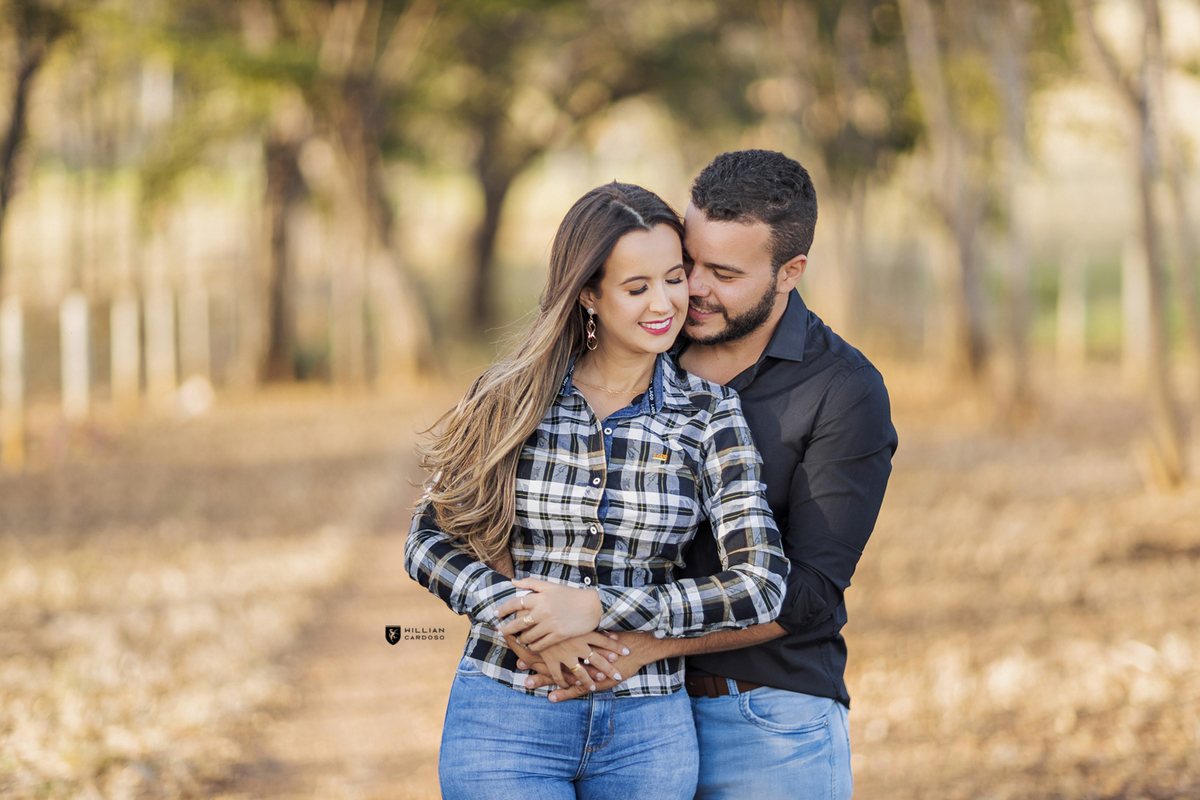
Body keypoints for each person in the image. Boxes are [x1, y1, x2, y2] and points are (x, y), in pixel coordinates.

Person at [522, 150, 898, 800]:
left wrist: (648, 645)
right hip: (626, 710)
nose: (691, 287)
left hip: (760, 718)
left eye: (723, 273)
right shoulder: (646, 344)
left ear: (790, 272)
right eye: (686, 261)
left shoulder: (844, 390)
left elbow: (807, 593)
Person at [404, 181, 789, 799]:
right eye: (636, 288)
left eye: (673, 277)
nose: (664, 303)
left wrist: (598, 609)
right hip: (507, 715)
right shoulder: (508, 397)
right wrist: (522, 618)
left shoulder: (710, 416)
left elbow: (761, 584)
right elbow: (426, 542)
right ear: (588, 294)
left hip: (648, 731)